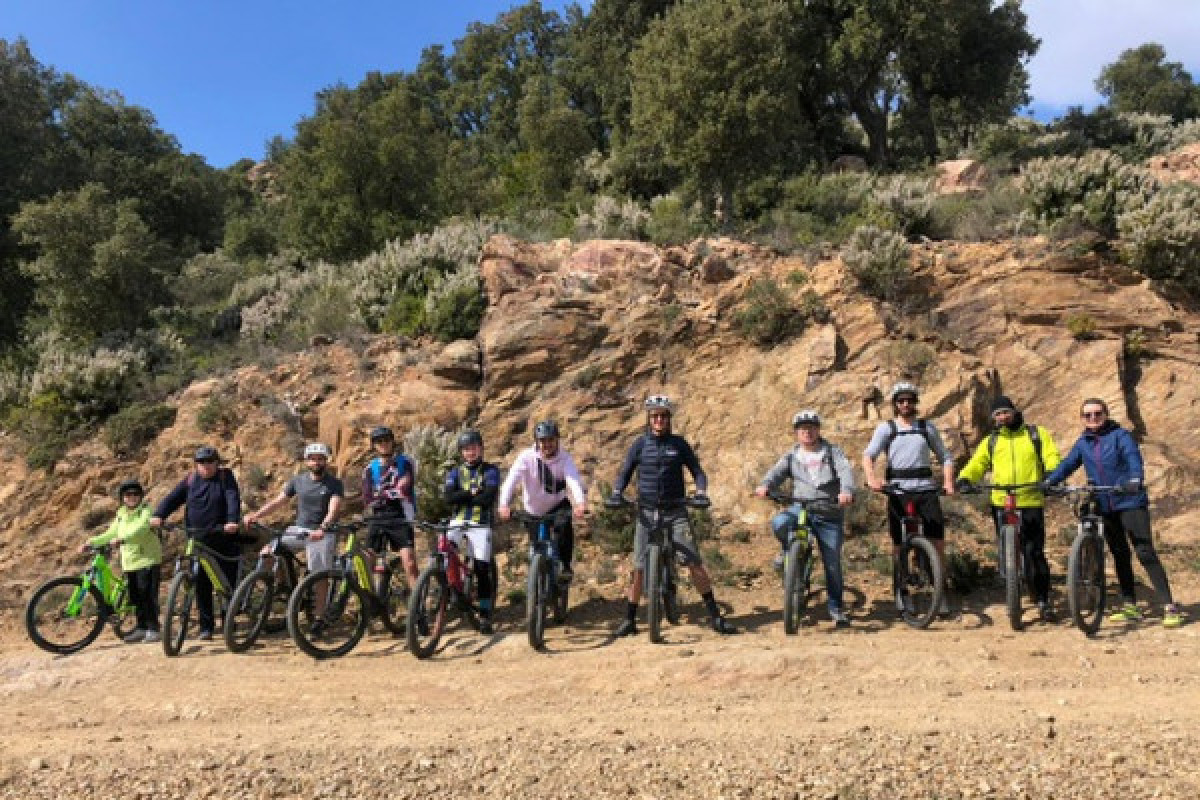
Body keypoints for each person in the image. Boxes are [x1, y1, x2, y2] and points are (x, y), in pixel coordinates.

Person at [1043, 397, 1183, 628]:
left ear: (1106, 414)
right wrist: (1050, 481)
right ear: (1082, 418)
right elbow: (1068, 464)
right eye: (1088, 415)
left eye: (1097, 413)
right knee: (1119, 554)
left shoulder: (1121, 436)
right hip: (1104, 504)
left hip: (1129, 500)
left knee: (1144, 551)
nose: (1093, 418)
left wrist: (1135, 479)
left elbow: (1133, 458)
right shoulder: (1083, 442)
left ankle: (1169, 606)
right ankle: (1130, 606)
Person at [610, 395, 737, 636]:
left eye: (663, 416)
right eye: (654, 416)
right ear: (649, 419)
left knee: (694, 562)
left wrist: (700, 492)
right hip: (647, 511)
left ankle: (715, 617)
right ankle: (629, 619)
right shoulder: (639, 445)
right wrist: (617, 493)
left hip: (676, 510)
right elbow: (625, 472)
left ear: (669, 419)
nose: (659, 420)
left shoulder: (679, 444)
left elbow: (698, 472)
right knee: (639, 568)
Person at [956, 396, 1061, 621]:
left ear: (1014, 412)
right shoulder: (992, 441)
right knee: (1008, 549)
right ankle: (1013, 587)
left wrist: (1052, 474)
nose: (1002, 417)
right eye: (998, 414)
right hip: (1002, 501)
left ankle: (1043, 600)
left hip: (1030, 499)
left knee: (1034, 552)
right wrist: (965, 478)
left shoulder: (1035, 434)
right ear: (994, 418)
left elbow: (1051, 455)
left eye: (1005, 412)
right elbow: (978, 463)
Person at [754, 410, 856, 628]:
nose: (807, 432)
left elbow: (845, 471)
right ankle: (787, 551)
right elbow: (775, 473)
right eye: (802, 429)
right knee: (779, 522)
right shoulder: (792, 456)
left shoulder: (832, 452)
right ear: (796, 433)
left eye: (811, 428)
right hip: (801, 508)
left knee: (832, 563)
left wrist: (846, 491)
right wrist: (765, 485)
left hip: (828, 512)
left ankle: (836, 608)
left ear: (818, 430)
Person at [862, 382, 956, 614]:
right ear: (895, 404)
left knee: (937, 543)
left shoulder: (926, 427)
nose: (906, 404)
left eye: (910, 400)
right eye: (901, 400)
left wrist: (948, 482)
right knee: (898, 545)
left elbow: (945, 456)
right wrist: (872, 479)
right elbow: (869, 455)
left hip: (926, 490)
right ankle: (901, 591)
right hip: (898, 492)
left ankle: (939, 591)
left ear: (915, 403)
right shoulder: (887, 428)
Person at [150, 446, 243, 640]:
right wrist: (159, 515)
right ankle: (206, 627)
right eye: (201, 462)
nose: (206, 466)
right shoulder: (191, 480)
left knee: (227, 581)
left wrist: (232, 521)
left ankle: (228, 621)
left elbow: (232, 498)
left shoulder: (225, 477)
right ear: (196, 465)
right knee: (201, 582)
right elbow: (173, 498)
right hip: (197, 538)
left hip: (222, 537)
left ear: (217, 463)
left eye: (210, 462)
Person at [245, 442, 344, 593]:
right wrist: (256, 515)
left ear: (325, 461)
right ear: (306, 461)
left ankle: (319, 609)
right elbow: (278, 502)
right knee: (267, 553)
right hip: (299, 530)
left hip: (322, 532)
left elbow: (333, 510)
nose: (316, 462)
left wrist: (323, 528)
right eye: (312, 459)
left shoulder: (334, 484)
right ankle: (284, 585)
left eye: (320, 459)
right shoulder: (298, 481)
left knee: (319, 576)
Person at [498, 420, 586, 578]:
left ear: (557, 440)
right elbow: (511, 480)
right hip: (533, 510)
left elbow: (573, 480)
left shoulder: (565, 458)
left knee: (564, 530)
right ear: (537, 442)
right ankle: (537, 583)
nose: (547, 444)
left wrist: (579, 503)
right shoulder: (526, 457)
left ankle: (565, 567)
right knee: (535, 549)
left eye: (551, 440)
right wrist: (503, 504)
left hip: (557, 506)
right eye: (543, 441)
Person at [86, 479, 162, 643]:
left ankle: (153, 629)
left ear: (140, 496)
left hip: (147, 559)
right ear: (122, 497)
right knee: (135, 597)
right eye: (128, 494)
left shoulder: (146, 511)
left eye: (135, 494)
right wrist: (91, 542)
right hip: (130, 562)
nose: (132, 497)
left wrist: (122, 539)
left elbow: (141, 529)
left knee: (147, 596)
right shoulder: (121, 514)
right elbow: (111, 533)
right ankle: (142, 628)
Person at [444, 429, 502, 635]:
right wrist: (471, 492)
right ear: (461, 452)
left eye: (474, 448)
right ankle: (453, 590)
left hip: (480, 523)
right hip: (458, 521)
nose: (470, 452)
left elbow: (487, 499)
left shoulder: (491, 471)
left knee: (481, 568)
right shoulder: (455, 472)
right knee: (444, 552)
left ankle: (485, 614)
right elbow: (449, 498)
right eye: (466, 449)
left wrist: (462, 496)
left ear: (481, 449)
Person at [360, 426, 420, 589]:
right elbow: (367, 497)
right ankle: (367, 600)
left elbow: (403, 489)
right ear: (374, 445)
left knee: (409, 563)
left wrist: (381, 494)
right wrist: (387, 493)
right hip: (378, 516)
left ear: (393, 442)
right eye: (379, 441)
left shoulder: (405, 463)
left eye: (387, 440)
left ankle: (418, 601)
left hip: (400, 516)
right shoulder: (369, 469)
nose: (384, 444)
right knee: (367, 561)